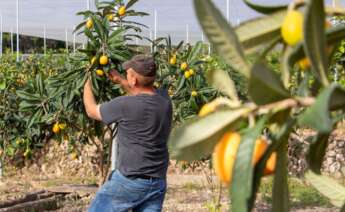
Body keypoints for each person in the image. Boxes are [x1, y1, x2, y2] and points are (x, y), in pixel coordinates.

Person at [83, 55, 172, 212]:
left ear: (134, 80)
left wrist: (87, 81)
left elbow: (91, 110)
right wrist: (122, 81)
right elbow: (142, 96)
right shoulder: (165, 100)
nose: (126, 75)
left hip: (129, 181)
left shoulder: (124, 105)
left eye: (128, 74)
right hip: (157, 181)